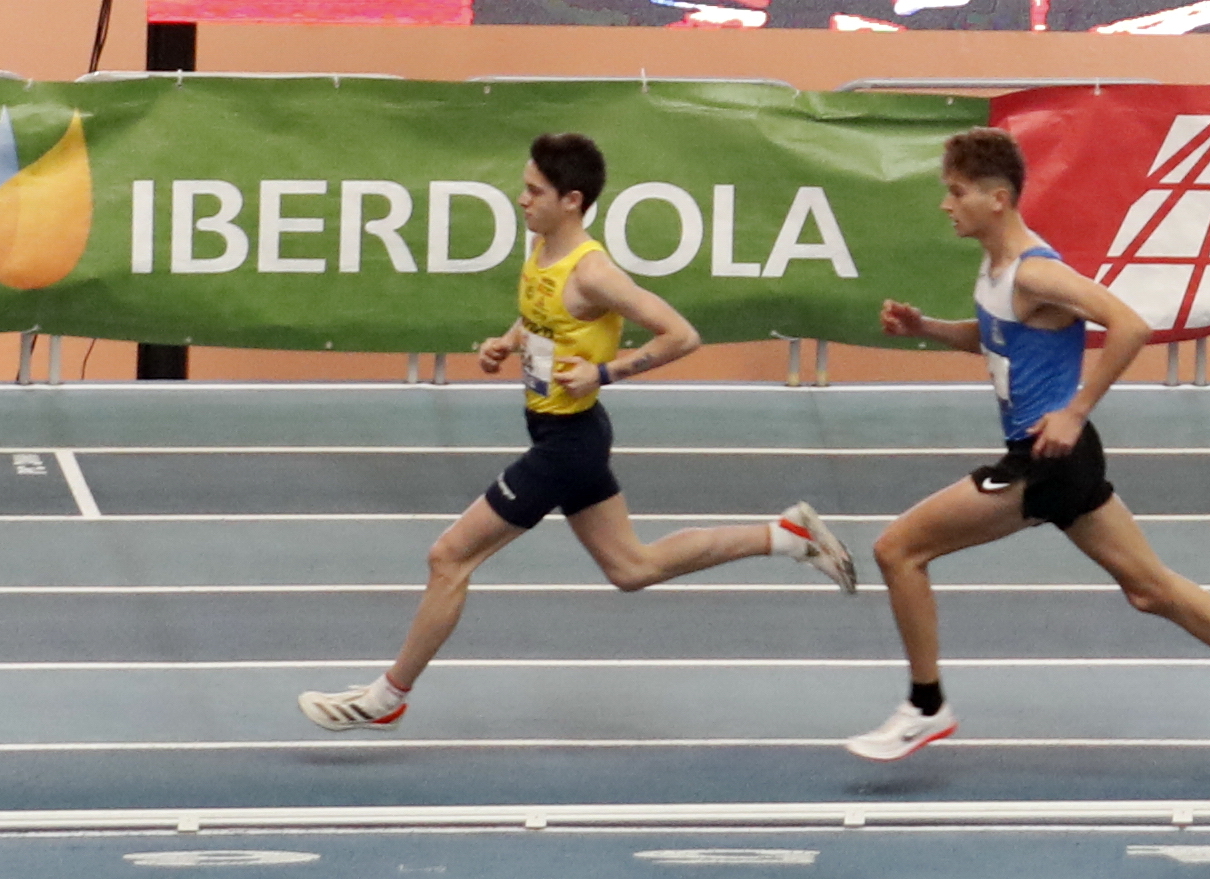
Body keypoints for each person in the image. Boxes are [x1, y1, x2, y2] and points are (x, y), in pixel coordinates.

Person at [299, 132, 858, 731]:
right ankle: (785, 535)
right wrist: (507, 342)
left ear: (572, 200)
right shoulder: (542, 250)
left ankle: (387, 697)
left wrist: (604, 372)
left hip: (569, 443)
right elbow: (542, 312)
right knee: (632, 568)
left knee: (449, 556)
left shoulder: (595, 273)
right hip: (562, 434)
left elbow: (682, 335)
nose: (521, 199)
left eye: (534, 191)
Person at [844, 129, 1210, 769]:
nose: (945, 204)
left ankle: (927, 707)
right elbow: (999, 341)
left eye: (955, 192)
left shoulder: (1037, 272)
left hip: (1046, 457)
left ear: (998, 198)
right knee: (1151, 589)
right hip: (1060, 456)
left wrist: (1074, 410)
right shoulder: (996, 270)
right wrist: (925, 327)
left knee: (898, 550)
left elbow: (1131, 325)